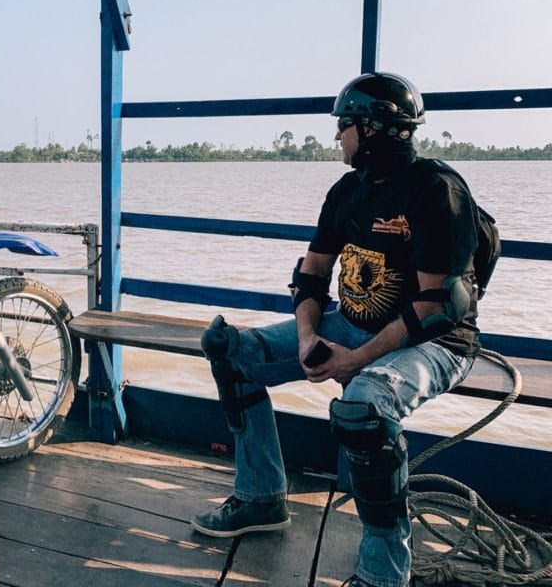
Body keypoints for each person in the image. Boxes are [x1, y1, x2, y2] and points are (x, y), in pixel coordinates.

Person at [190, 72, 481, 587]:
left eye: (344, 124)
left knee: (363, 409)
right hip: (348, 324)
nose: (337, 135)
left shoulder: (437, 190)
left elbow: (435, 306)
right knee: (231, 351)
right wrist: (308, 338)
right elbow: (313, 273)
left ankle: (384, 575)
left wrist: (356, 360)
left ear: (374, 128)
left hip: (433, 343)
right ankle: (260, 497)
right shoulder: (347, 190)